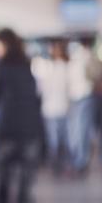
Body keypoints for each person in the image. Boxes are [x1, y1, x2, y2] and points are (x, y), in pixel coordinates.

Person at [0, 28, 45, 203]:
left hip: (8, 126)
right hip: (29, 126)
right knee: (26, 173)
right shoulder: (27, 65)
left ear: (5, 44)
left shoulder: (1, 66)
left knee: (3, 170)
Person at [32, 40, 71, 175]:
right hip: (58, 108)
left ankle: (57, 164)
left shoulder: (53, 68)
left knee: (55, 138)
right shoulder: (56, 68)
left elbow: (40, 89)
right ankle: (59, 163)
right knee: (59, 138)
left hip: (53, 108)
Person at [67, 40, 96, 175]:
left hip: (83, 96)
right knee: (78, 130)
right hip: (78, 97)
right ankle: (79, 160)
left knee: (81, 130)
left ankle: (80, 161)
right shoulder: (77, 59)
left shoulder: (86, 58)